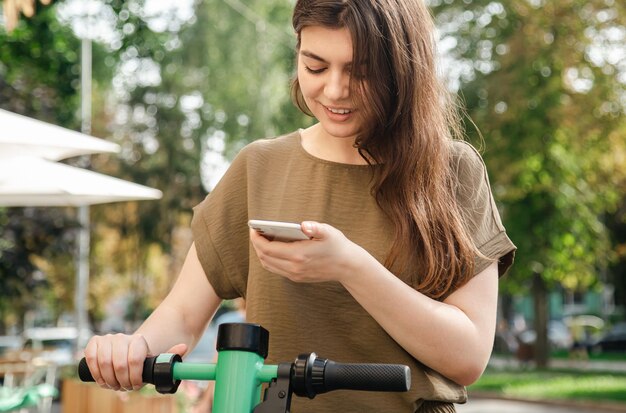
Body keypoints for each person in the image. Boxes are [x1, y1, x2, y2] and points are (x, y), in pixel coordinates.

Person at [84, 1, 516, 412]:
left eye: (360, 71)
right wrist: (133, 348)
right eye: (315, 65)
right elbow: (182, 312)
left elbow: (468, 357)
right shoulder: (260, 166)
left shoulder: (452, 170)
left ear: (402, 69)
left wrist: (350, 266)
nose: (335, 89)